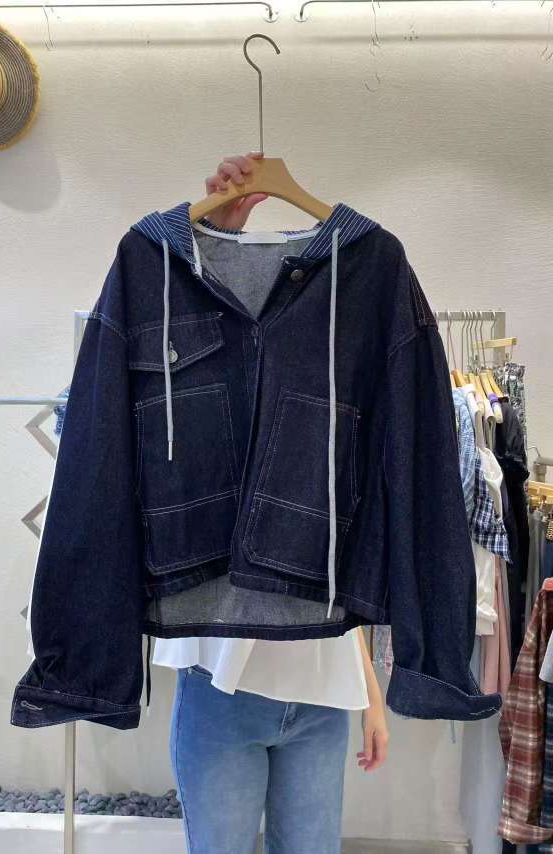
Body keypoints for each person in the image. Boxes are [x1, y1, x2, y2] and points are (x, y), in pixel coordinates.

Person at [153, 153, 390, 854]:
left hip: (323, 693)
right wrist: (216, 244)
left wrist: (371, 693)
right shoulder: (185, 324)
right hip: (221, 685)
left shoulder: (344, 345)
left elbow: (340, 549)